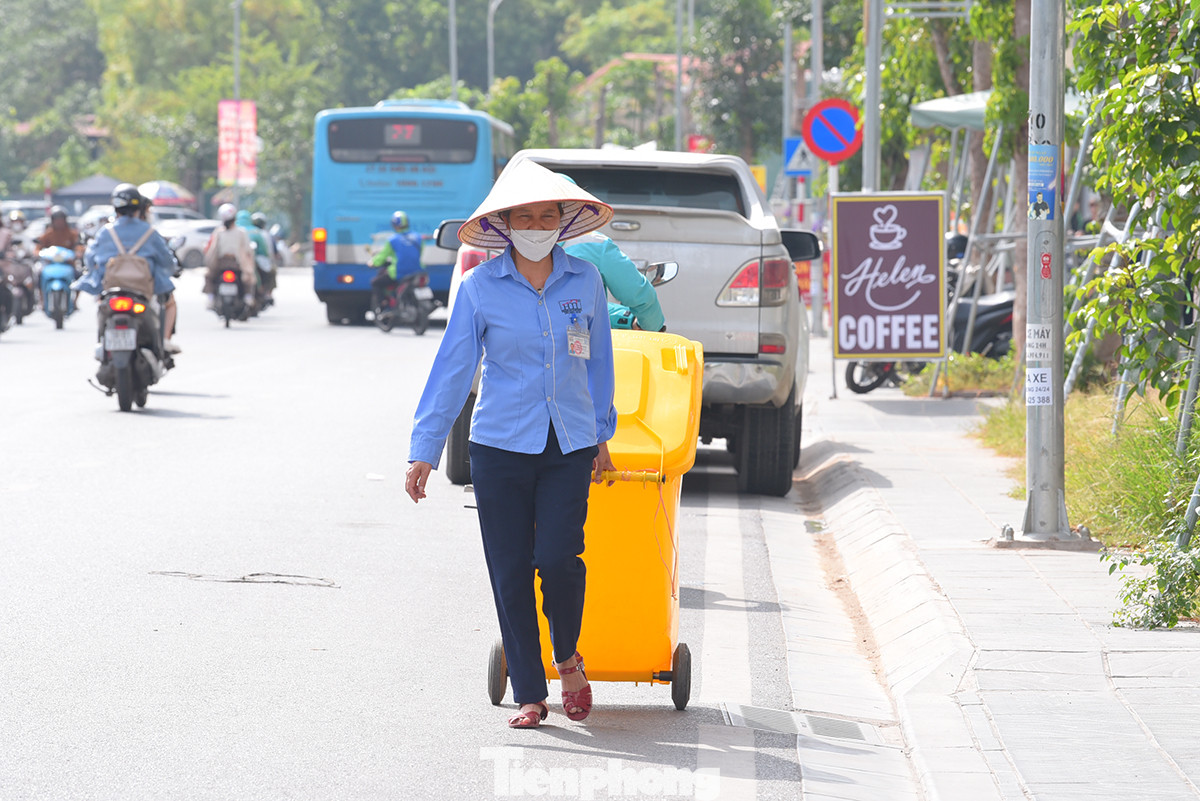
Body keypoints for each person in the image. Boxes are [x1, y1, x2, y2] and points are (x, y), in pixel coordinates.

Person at [405, 160, 618, 729]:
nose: (536, 223)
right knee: (510, 569)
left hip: (568, 443)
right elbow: (453, 369)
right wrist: (424, 448)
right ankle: (530, 692)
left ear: (562, 221)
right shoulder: (480, 288)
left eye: (546, 214)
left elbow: (599, 362)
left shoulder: (586, 282)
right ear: (504, 225)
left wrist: (602, 433)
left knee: (558, 559)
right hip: (499, 445)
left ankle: (567, 657)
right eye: (524, 215)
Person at [73, 183, 179, 353]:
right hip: (144, 289)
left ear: (116, 209)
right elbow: (166, 262)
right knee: (169, 301)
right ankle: (165, 341)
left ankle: (101, 342)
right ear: (139, 208)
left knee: (101, 304)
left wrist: (94, 274)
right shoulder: (150, 232)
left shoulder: (105, 232)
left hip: (111, 288)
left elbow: (90, 257)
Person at [556, 175, 665, 332]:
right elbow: (640, 296)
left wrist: (623, 318)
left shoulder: (512, 250)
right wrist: (653, 329)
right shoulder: (594, 244)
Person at [203, 203, 256, 310]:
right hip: (238, 264)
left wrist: (209, 261)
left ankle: (211, 298)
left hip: (221, 264)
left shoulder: (219, 232)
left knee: (209, 276)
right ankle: (248, 297)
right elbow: (247, 250)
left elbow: (213, 249)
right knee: (248, 278)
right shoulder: (241, 232)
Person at [369, 210, 422, 297]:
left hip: (398, 273)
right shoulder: (418, 238)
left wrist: (373, 262)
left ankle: (381, 307)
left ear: (394, 225)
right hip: (417, 272)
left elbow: (382, 256)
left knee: (375, 283)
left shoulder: (393, 240)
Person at [237, 209, 274, 303]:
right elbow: (264, 250)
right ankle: (265, 292)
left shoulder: (232, 230)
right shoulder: (256, 232)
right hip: (250, 260)